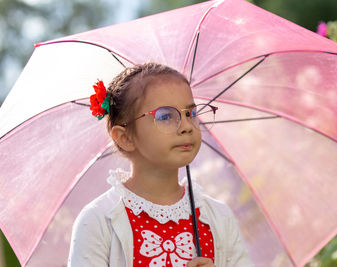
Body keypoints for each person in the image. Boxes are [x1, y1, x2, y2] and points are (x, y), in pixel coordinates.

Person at [68, 63, 252, 267]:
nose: (186, 127)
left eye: (190, 114)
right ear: (125, 137)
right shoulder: (99, 221)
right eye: (165, 116)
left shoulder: (218, 218)